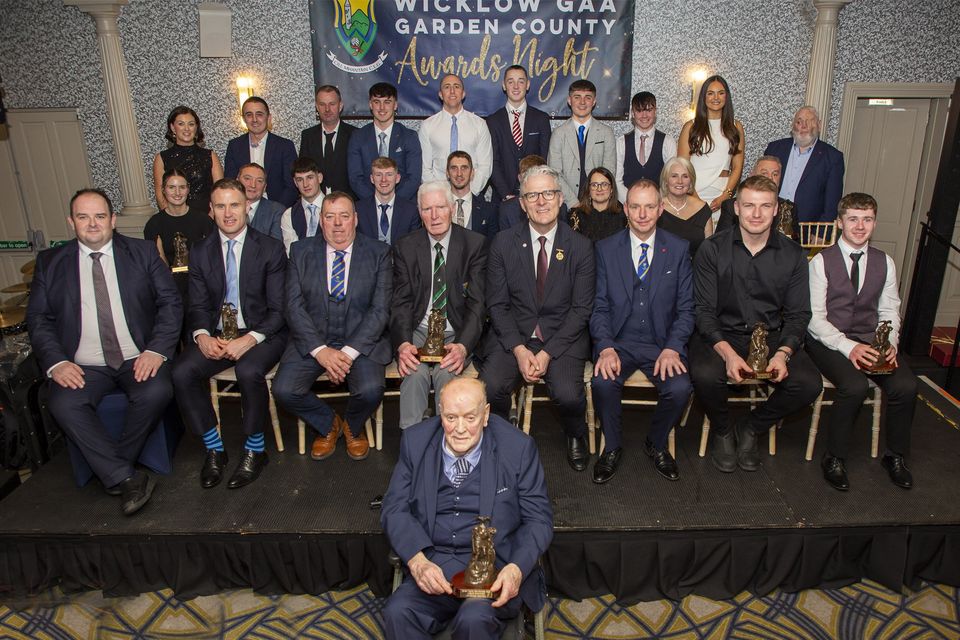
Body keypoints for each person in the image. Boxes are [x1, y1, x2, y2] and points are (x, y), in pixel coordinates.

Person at [26, 189, 182, 515]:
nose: (92, 224)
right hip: (84, 364)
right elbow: (39, 319)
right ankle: (127, 476)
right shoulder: (50, 263)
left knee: (157, 390)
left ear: (113, 219)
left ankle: (114, 471)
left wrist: (156, 350)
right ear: (72, 222)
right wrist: (56, 362)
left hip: (135, 357)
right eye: (83, 217)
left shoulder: (142, 253)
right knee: (62, 402)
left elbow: (171, 303)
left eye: (99, 216)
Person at [381, 378, 553, 640]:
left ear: (485, 415)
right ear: (440, 412)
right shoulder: (415, 443)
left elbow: (538, 519)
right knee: (398, 611)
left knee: (474, 619)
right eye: (450, 417)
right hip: (433, 565)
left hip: (492, 571)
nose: (460, 428)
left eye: (470, 418)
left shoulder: (517, 448)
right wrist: (417, 562)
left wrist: (516, 568)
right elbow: (394, 508)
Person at [690, 175, 822, 473]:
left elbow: (799, 315)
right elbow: (704, 312)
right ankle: (723, 429)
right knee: (703, 373)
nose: (757, 214)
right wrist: (728, 354)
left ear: (777, 209)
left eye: (765, 206)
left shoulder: (793, 255)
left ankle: (752, 427)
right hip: (721, 335)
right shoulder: (712, 249)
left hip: (771, 336)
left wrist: (783, 353)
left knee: (808, 383)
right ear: (736, 207)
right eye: (749, 205)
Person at [172, 178, 287, 489]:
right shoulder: (200, 251)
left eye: (234, 205)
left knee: (248, 370)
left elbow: (280, 310)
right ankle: (214, 447)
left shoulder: (271, 249)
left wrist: (249, 340)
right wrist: (200, 335)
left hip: (262, 334)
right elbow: (195, 305)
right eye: (220, 206)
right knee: (182, 371)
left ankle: (254, 449)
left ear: (246, 207)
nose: (228, 213)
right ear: (211, 211)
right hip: (218, 334)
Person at [480, 165, 595, 472]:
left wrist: (546, 353)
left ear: (560, 199)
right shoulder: (503, 244)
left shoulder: (581, 247)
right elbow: (497, 304)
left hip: (562, 337)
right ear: (522, 203)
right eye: (533, 195)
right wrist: (519, 350)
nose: (541, 201)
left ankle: (575, 433)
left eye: (548, 193)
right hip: (514, 334)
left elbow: (581, 310)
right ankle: (502, 440)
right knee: (490, 387)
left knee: (569, 395)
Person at [806, 192, 916, 490]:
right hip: (828, 340)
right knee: (853, 386)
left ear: (874, 223)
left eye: (867, 219)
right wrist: (849, 347)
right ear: (840, 222)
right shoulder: (820, 262)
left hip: (872, 338)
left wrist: (888, 343)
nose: (860, 226)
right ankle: (834, 458)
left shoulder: (885, 262)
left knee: (906, 386)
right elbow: (815, 319)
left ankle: (895, 456)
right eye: (853, 219)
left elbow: (890, 309)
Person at [272, 192, 391, 462]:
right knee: (284, 389)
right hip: (313, 340)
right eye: (330, 216)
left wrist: (348, 353)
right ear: (321, 222)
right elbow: (293, 306)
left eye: (344, 216)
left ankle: (352, 425)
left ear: (355, 220)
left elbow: (380, 309)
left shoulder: (379, 253)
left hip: (361, 341)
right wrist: (320, 350)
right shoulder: (300, 251)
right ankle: (328, 424)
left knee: (372, 389)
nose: (337, 224)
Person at [590, 180, 694, 483]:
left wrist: (673, 347)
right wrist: (606, 347)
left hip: (661, 344)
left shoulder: (678, 249)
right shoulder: (606, 249)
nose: (642, 213)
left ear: (660, 209)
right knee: (603, 382)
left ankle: (656, 442)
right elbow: (598, 307)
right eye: (635, 206)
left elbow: (687, 309)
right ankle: (612, 446)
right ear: (625, 209)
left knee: (679, 389)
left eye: (650, 206)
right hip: (618, 342)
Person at [391, 182, 487, 429]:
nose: (434, 216)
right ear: (419, 212)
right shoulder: (405, 246)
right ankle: (414, 447)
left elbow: (477, 304)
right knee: (414, 374)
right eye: (427, 209)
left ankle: (449, 444)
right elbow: (401, 302)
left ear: (452, 208)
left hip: (455, 331)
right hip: (418, 330)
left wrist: (464, 347)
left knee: (448, 375)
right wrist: (403, 344)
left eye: (440, 207)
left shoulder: (474, 244)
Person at [764, 106, 845, 222]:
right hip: (770, 221)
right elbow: (760, 183)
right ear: (793, 125)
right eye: (799, 121)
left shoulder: (833, 158)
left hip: (806, 228)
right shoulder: (775, 148)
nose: (804, 126)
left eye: (809, 121)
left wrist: (820, 233)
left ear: (819, 125)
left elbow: (832, 203)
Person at [678, 75, 745, 213]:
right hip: (694, 193)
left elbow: (737, 167)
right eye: (710, 93)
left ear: (727, 97)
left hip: (723, 193)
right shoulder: (690, 127)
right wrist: (694, 197)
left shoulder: (736, 127)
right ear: (703, 97)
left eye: (721, 93)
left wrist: (726, 195)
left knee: (722, 234)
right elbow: (682, 167)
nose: (716, 98)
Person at [485, 65, 552, 203]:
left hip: (536, 197)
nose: (516, 86)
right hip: (503, 199)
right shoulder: (493, 121)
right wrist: (505, 194)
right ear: (504, 86)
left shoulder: (541, 119)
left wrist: (535, 190)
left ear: (527, 85)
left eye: (521, 81)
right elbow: (492, 162)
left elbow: (545, 159)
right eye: (511, 82)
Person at [347, 82, 422, 202]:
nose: (382, 108)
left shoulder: (409, 136)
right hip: (368, 205)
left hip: (403, 205)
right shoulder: (358, 137)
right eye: (377, 102)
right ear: (370, 105)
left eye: (387, 102)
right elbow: (355, 178)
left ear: (395, 105)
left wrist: (393, 202)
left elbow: (414, 178)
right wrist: (375, 202)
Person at [418, 74, 492, 195]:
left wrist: (469, 193)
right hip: (438, 197)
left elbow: (485, 165)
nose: (452, 91)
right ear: (441, 94)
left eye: (456, 86)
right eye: (447, 87)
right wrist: (438, 195)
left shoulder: (480, 124)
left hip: (471, 195)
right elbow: (424, 168)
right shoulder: (427, 126)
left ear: (463, 93)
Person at [548, 80, 617, 207]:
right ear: (569, 100)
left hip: (598, 203)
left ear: (594, 101)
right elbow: (554, 173)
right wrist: (573, 202)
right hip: (567, 204)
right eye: (577, 97)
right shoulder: (558, 134)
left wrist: (596, 200)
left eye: (588, 97)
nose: (582, 102)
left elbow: (609, 171)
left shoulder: (606, 133)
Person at [224, 97, 299, 207]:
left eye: (259, 114)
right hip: (242, 209)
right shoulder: (234, 146)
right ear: (243, 119)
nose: (254, 119)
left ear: (268, 117)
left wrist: (275, 211)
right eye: (249, 115)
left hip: (277, 209)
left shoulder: (285, 146)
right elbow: (230, 183)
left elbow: (291, 186)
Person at [153, 106, 223, 211]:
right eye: (181, 124)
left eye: (191, 124)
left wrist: (211, 216)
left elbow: (220, 191)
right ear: (172, 127)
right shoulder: (162, 158)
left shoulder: (210, 156)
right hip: (175, 220)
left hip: (207, 218)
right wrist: (174, 219)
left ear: (196, 127)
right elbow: (160, 194)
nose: (186, 129)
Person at [144, 168, 216, 266]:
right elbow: (156, 263)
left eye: (182, 187)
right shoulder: (154, 224)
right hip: (167, 278)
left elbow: (212, 258)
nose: (177, 193)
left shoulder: (203, 220)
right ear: (163, 190)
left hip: (200, 278)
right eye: (171, 187)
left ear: (188, 189)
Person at [717, 156, 798, 241]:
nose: (770, 178)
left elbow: (794, 247)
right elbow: (720, 242)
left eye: (775, 174)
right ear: (752, 175)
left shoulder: (788, 208)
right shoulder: (730, 206)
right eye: (764, 173)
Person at [615, 91, 678, 197]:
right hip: (627, 206)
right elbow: (617, 180)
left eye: (648, 110)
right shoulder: (621, 142)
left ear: (655, 112)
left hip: (658, 206)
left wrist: (656, 202)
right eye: (639, 110)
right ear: (632, 113)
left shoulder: (668, 142)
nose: (644, 115)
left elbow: (670, 179)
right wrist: (631, 202)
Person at [300, 85, 357, 197]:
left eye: (332, 104)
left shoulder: (355, 135)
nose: (327, 109)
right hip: (316, 201)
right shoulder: (308, 136)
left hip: (348, 201)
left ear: (340, 106)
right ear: (316, 106)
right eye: (322, 104)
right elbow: (303, 170)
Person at [356, 156, 422, 245]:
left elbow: (415, 245)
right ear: (372, 178)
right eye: (378, 175)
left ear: (397, 178)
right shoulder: (359, 209)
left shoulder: (411, 210)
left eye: (389, 174)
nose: (384, 180)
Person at [656, 157, 713, 256]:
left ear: (691, 181)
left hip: (695, 269)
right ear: (666, 180)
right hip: (662, 268)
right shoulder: (655, 208)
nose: (680, 181)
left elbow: (709, 252)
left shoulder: (703, 209)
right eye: (674, 176)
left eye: (685, 176)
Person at [497, 155, 569, 231]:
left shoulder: (560, 207)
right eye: (527, 176)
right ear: (519, 178)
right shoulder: (507, 209)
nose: (541, 202)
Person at [446, 151, 499, 239]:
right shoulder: (437, 207)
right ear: (447, 173)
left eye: (464, 168)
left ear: (472, 173)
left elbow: (492, 247)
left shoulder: (488, 210)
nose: (459, 174)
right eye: (454, 168)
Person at [280, 157, 325, 255]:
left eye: (310, 177)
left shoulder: (335, 209)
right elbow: (292, 252)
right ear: (295, 183)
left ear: (320, 178)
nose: (305, 184)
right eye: (300, 180)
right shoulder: (289, 215)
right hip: (300, 268)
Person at [567, 167, 625, 242]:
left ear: (612, 189)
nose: (599, 189)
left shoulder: (624, 215)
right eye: (594, 185)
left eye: (604, 184)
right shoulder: (576, 216)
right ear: (588, 189)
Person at [236, 162, 284, 241]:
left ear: (265, 187)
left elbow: (274, 247)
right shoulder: (226, 208)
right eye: (247, 179)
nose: (253, 185)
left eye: (259, 181)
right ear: (237, 181)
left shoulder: (276, 211)